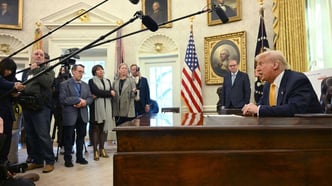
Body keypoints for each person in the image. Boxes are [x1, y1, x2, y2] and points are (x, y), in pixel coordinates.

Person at [242, 50, 323, 117]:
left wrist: (259, 110)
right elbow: (262, 105)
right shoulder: (268, 85)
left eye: (260, 64)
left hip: (308, 132)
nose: (257, 69)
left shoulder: (297, 80)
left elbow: (294, 109)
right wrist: (251, 109)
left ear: (275, 65)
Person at [20, 49, 55, 173]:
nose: (39, 56)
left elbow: (47, 83)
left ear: (45, 59)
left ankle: (50, 161)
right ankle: (37, 161)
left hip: (41, 108)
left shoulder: (48, 70)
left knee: (43, 135)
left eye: (41, 55)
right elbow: (23, 85)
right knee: (31, 136)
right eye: (36, 54)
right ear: (32, 56)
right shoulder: (26, 71)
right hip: (27, 107)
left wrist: (36, 70)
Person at [59, 64, 93, 167]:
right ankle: (68, 159)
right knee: (69, 138)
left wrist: (85, 102)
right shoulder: (64, 84)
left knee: (81, 137)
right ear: (73, 72)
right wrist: (78, 100)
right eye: (79, 71)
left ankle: (79, 157)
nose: (81, 74)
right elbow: (63, 99)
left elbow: (90, 98)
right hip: (70, 115)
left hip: (82, 114)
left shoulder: (86, 85)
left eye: (82, 72)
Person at [88, 65, 115, 161]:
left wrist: (105, 93)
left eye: (102, 69)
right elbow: (96, 91)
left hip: (107, 108)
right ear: (94, 72)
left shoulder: (107, 81)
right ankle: (95, 150)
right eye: (98, 70)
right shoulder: (91, 81)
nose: (101, 71)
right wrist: (108, 93)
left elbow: (112, 92)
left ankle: (102, 149)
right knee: (96, 129)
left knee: (104, 129)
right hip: (96, 109)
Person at [0, 58, 25, 164]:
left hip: (8, 113)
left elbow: (16, 95)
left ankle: (4, 163)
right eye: (7, 69)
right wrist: (14, 86)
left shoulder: (11, 79)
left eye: (11, 70)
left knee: (7, 139)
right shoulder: (4, 80)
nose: (9, 72)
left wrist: (16, 93)